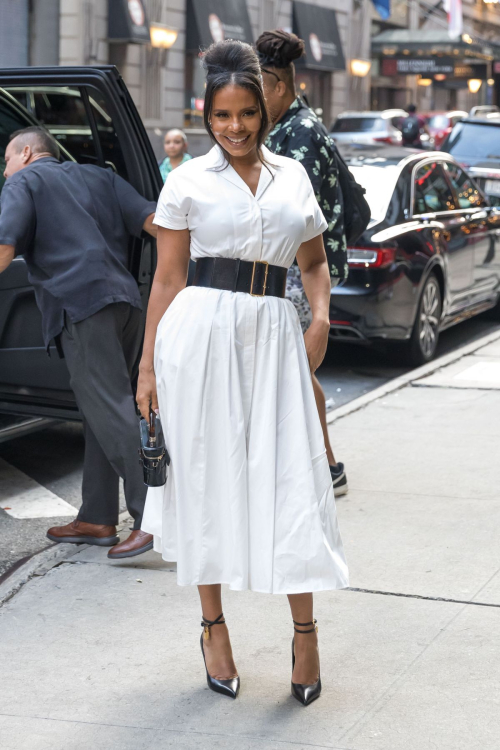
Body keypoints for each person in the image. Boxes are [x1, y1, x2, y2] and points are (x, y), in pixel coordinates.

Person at [137, 40, 348, 705]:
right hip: (197, 340)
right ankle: (212, 626)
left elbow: (313, 264)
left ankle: (306, 632)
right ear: (208, 115)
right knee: (205, 482)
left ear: (266, 108)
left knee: (291, 482)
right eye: (222, 115)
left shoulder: (293, 177)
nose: (235, 127)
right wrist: (146, 367)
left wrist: (318, 317)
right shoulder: (187, 180)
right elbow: (167, 280)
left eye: (247, 113)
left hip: (274, 337)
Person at [0, 126, 157, 558]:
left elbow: (2, 249)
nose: (6, 170)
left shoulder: (24, 181)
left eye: (6, 161)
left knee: (111, 413)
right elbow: (156, 223)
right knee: (102, 412)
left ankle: (155, 519)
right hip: (127, 304)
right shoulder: (100, 177)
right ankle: (97, 517)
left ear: (26, 153)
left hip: (83, 307)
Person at [255, 29, 348, 496]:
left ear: (276, 86)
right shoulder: (287, 128)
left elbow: (298, 224)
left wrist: (322, 314)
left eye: (255, 88)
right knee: (293, 372)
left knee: (295, 371)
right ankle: (319, 463)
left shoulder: (301, 134)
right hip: (289, 270)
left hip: (300, 271)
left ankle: (328, 465)